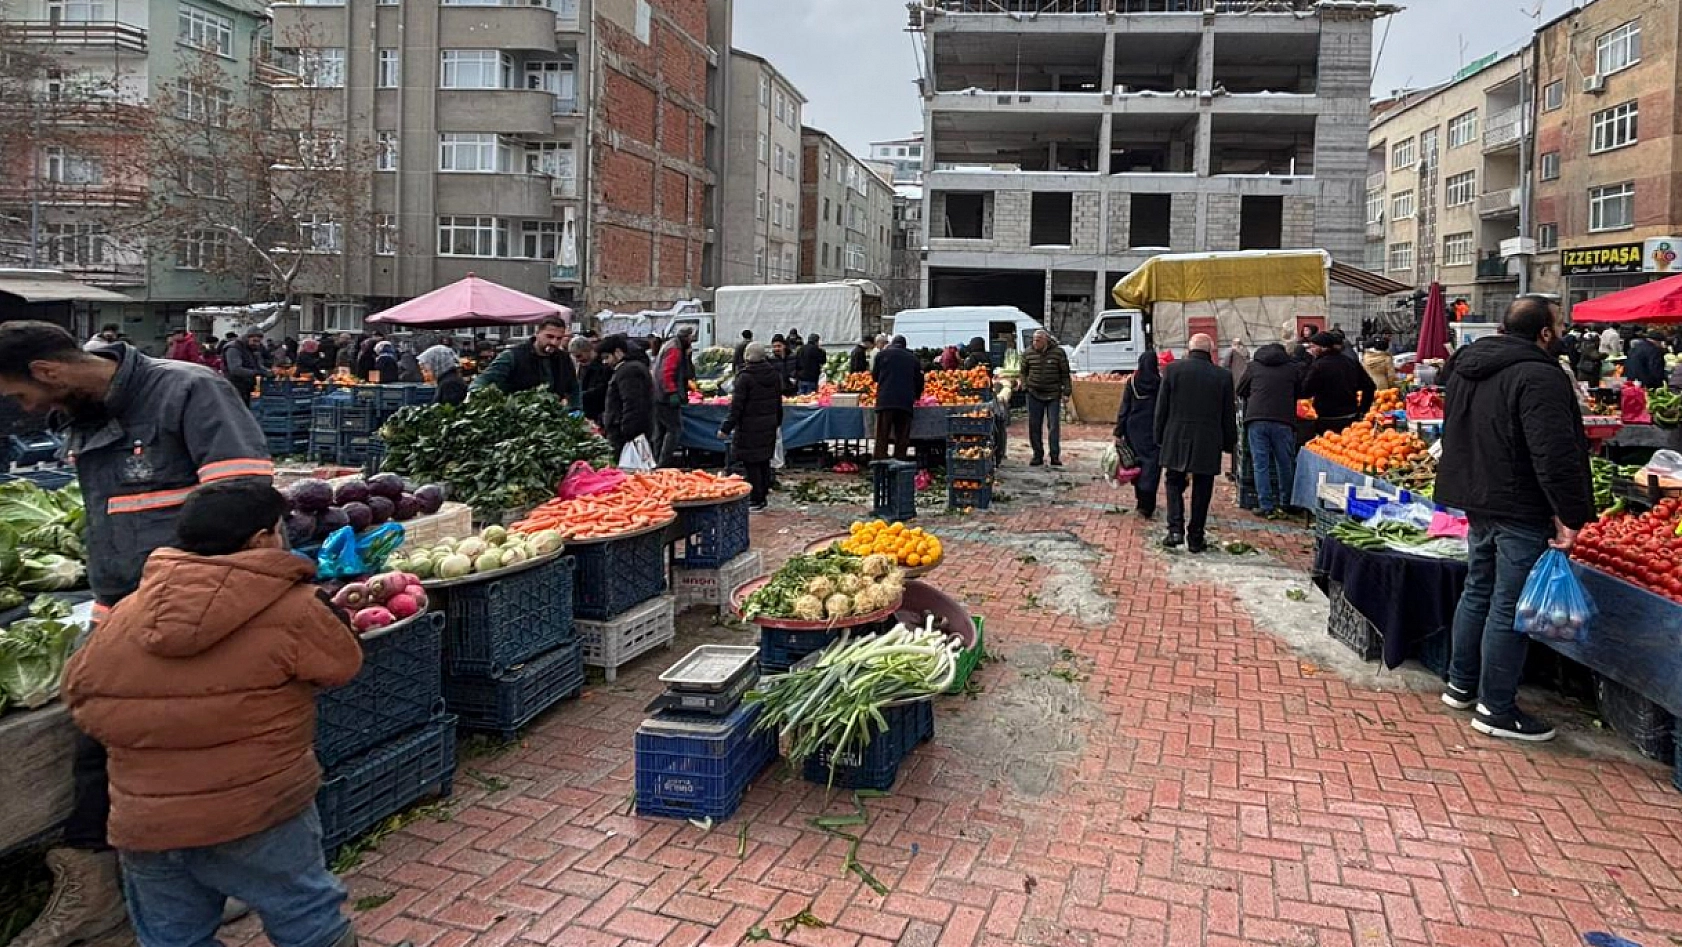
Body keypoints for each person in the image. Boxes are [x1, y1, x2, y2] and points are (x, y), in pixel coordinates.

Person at [0, 321, 274, 947]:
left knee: (200, 752)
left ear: (47, 372)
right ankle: (97, 889)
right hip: (118, 610)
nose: (27, 410)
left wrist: (197, 613)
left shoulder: (188, 391)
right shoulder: (81, 413)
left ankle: (224, 878)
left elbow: (246, 505)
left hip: (197, 618)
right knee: (99, 744)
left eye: (20, 395)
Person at [61, 481, 369, 947]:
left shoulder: (124, 614)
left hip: (148, 823)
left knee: (174, 939)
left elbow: (79, 696)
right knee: (307, 922)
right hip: (258, 810)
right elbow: (342, 665)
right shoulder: (295, 609)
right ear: (262, 539)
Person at [1435, 297, 1595, 742]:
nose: (1561, 331)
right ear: (1544, 332)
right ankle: (1496, 708)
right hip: (1520, 504)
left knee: (1478, 591)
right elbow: (1554, 453)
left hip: (1477, 498)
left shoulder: (1467, 367)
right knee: (1507, 604)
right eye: (1558, 324)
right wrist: (1570, 514)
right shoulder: (1540, 375)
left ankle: (1461, 685)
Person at [1154, 334, 1237, 553]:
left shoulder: (1173, 370)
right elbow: (1228, 413)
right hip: (1208, 438)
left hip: (1177, 434)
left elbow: (1162, 407)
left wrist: (1159, 435)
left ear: (1189, 349)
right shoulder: (1223, 376)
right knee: (1203, 486)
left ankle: (1175, 529)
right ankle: (1196, 536)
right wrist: (1229, 442)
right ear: (1211, 350)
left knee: (1173, 481)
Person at [1237, 341, 1303, 519]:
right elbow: (1300, 391)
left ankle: (1265, 505)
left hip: (1257, 419)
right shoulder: (1292, 369)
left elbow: (1240, 389)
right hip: (1283, 419)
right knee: (1285, 463)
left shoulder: (1253, 367)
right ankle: (1286, 502)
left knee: (1261, 464)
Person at [719, 342, 783, 512]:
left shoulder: (745, 377)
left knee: (751, 463)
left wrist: (726, 428)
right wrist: (777, 421)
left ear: (747, 356)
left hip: (749, 426)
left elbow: (736, 406)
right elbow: (778, 401)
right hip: (768, 424)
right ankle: (763, 494)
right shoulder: (774, 374)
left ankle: (756, 499)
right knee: (764, 460)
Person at [470, 317, 580, 407]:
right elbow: (483, 381)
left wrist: (576, 409)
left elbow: (574, 387)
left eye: (559, 338)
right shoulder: (513, 356)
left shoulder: (563, 358)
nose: (554, 342)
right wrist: (476, 396)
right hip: (518, 418)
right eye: (549, 336)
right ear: (537, 333)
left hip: (552, 417)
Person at [1112, 351, 1162, 518]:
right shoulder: (1160, 383)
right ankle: (1148, 504)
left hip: (1134, 429)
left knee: (1135, 462)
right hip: (1154, 428)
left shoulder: (1132, 382)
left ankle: (1140, 501)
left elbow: (1124, 407)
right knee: (1152, 466)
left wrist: (1118, 431)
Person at [1302, 332, 1375, 435]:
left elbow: (1306, 391)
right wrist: (1363, 409)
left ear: (1324, 347)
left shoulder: (1318, 366)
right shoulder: (1350, 362)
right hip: (1350, 415)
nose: (1311, 350)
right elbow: (1369, 386)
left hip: (1327, 417)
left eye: (1313, 346)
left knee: (1328, 443)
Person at [1020, 329, 1072, 466]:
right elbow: (1023, 372)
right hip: (1034, 393)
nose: (1035, 343)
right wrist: (1025, 386)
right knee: (1034, 425)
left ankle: (1054, 456)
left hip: (1053, 394)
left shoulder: (1058, 353)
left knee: (1053, 426)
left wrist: (1067, 392)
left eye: (1038, 340)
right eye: (1034, 340)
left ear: (1046, 340)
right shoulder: (1028, 353)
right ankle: (1037, 455)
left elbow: (1065, 374)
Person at [600, 335, 655, 455]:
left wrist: (628, 432)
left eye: (607, 357)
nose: (605, 362)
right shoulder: (631, 368)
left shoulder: (628, 371)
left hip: (626, 436)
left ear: (618, 352)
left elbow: (632, 403)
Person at [871, 335, 924, 462]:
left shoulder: (882, 355)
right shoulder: (913, 358)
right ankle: (900, 461)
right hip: (905, 401)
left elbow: (875, 377)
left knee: (882, 434)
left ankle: (880, 461)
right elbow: (919, 381)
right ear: (905, 346)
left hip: (885, 399)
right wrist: (916, 396)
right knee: (902, 435)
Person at [652, 326, 696, 466]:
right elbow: (667, 373)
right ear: (687, 337)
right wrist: (672, 393)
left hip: (657, 394)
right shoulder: (674, 349)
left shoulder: (671, 345)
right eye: (691, 337)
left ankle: (656, 461)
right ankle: (663, 463)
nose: (692, 340)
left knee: (660, 430)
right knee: (674, 429)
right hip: (665, 397)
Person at [222, 330, 271, 402]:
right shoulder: (234, 348)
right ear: (247, 338)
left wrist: (266, 371)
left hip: (247, 386)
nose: (257, 344)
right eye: (254, 341)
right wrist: (256, 373)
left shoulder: (250, 348)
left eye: (258, 342)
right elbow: (235, 369)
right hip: (235, 386)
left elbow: (255, 365)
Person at [573, 336, 611, 423]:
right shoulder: (582, 366)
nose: (578, 360)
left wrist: (579, 395)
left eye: (579, 356)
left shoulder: (604, 366)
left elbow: (602, 389)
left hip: (599, 411)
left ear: (587, 350)